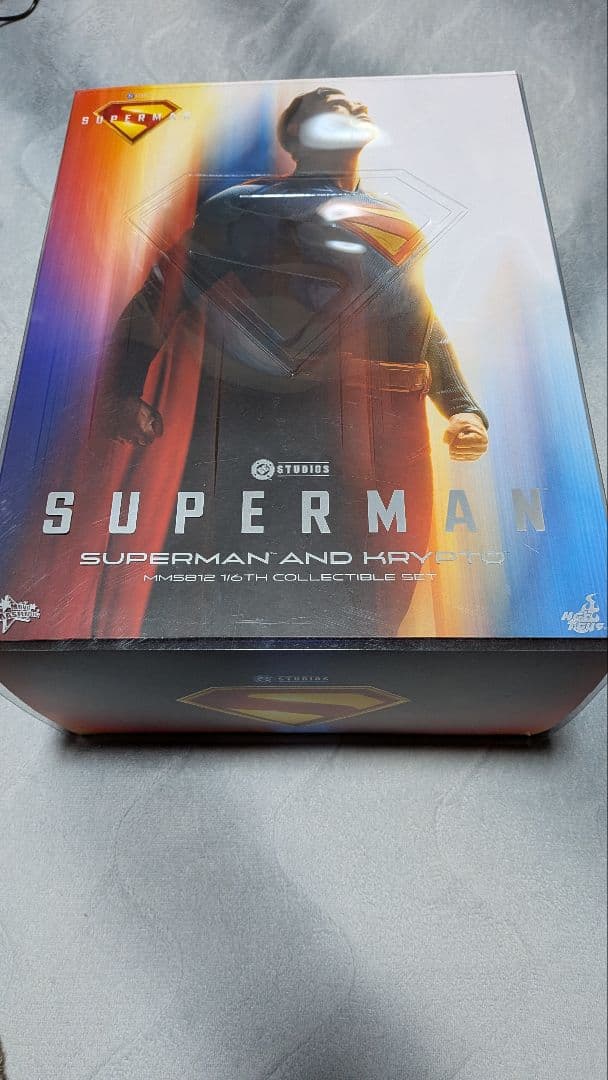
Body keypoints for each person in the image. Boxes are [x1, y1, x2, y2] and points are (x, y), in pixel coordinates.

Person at [100, 87, 489, 635]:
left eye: (358, 104)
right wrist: (122, 390)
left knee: (381, 591)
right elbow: (160, 296)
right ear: (296, 136)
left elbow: (421, 321)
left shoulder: (395, 218)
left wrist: (463, 408)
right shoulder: (244, 207)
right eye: (334, 105)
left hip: (391, 433)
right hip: (280, 423)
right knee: (261, 583)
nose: (357, 107)